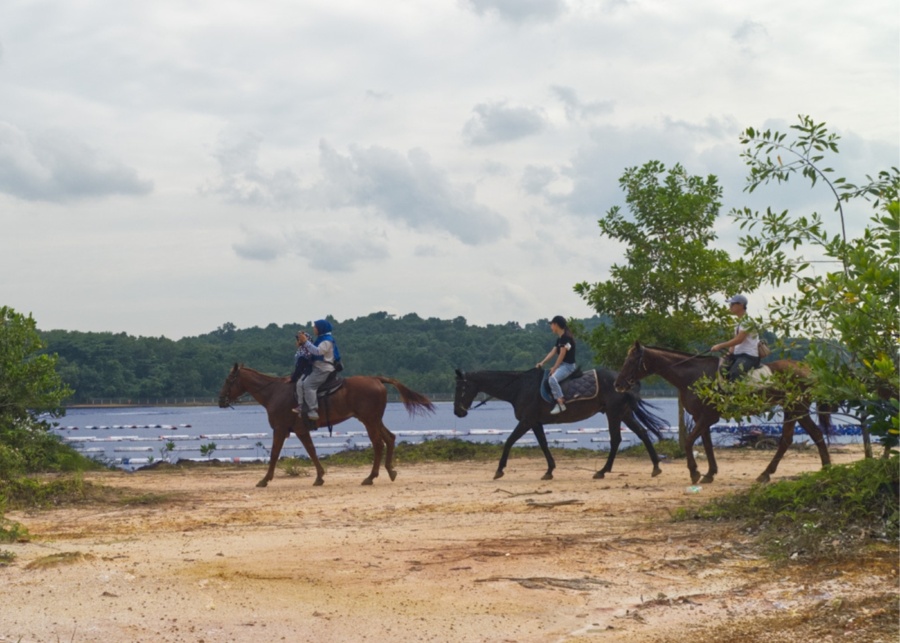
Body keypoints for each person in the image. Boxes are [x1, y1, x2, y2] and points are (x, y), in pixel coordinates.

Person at [294, 319, 341, 420]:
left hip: (323, 369)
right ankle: (301, 406)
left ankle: (313, 410)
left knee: (308, 385)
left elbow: (318, 351)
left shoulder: (326, 340)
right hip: (317, 367)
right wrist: (303, 343)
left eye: (315, 327)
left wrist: (305, 342)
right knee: (300, 383)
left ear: (321, 328)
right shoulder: (322, 338)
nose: (313, 329)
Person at [711, 294, 760, 381]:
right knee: (723, 369)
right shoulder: (739, 323)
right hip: (738, 355)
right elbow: (734, 342)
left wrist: (719, 346)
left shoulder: (747, 321)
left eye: (732, 304)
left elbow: (739, 340)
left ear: (741, 305)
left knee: (735, 373)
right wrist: (729, 354)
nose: (730, 307)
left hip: (749, 356)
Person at [536, 315, 576, 415]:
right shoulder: (560, 339)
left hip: (568, 366)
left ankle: (560, 403)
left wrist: (555, 368)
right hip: (562, 365)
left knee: (552, 379)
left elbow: (562, 354)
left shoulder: (565, 338)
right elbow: (552, 352)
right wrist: (542, 362)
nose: (551, 327)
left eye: (551, 325)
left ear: (556, 325)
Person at [290, 331, 314, 411]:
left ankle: (301, 404)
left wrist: (292, 378)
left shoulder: (304, 353)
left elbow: (299, 368)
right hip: (306, 371)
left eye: (298, 340)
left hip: (309, 372)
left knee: (299, 384)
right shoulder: (303, 350)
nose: (297, 342)